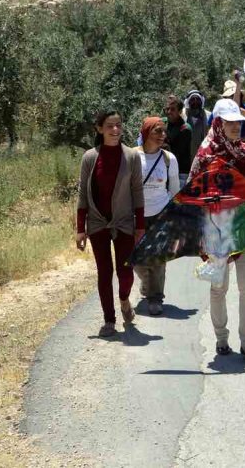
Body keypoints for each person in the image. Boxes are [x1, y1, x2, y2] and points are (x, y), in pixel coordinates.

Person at [189, 99, 245, 363]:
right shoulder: (206, 153)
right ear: (218, 123)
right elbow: (194, 193)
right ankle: (221, 338)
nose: (235, 127)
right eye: (229, 122)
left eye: (237, 122)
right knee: (219, 288)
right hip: (215, 228)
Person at [75, 110, 145, 338]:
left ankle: (124, 299)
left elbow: (137, 192)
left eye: (118, 126)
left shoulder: (131, 156)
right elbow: (82, 195)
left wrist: (141, 225)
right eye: (109, 126)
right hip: (97, 224)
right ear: (99, 129)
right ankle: (108, 320)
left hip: (124, 222)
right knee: (104, 272)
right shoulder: (89, 157)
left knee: (126, 272)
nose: (115, 130)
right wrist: (80, 229)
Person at [134, 117, 180, 316]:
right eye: (157, 131)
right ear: (146, 133)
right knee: (136, 258)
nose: (162, 135)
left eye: (163, 131)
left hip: (161, 213)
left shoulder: (169, 159)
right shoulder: (132, 156)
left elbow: (175, 188)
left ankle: (155, 297)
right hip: (136, 214)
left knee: (158, 259)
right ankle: (146, 281)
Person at [164, 95, 193, 186]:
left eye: (173, 109)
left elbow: (176, 153)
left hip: (180, 173)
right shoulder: (163, 123)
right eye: (167, 109)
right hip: (164, 170)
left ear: (180, 111)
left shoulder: (185, 129)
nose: (169, 112)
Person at [183, 90, 210, 163]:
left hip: (204, 155)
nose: (195, 102)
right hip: (185, 156)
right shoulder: (182, 115)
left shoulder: (208, 116)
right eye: (192, 100)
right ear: (188, 102)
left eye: (198, 99)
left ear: (202, 101)